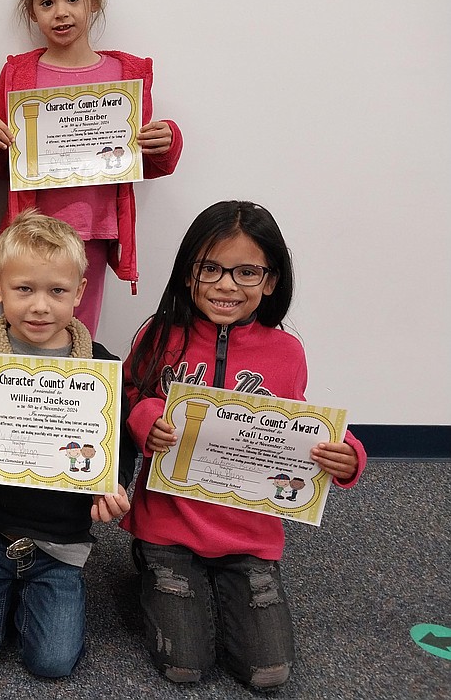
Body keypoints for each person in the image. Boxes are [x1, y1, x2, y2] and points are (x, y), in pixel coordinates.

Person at [122, 200, 367, 689]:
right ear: (188, 273)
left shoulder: (285, 351)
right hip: (168, 524)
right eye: (210, 268)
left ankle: (220, 580)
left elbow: (299, 420)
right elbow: (131, 392)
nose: (226, 284)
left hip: (248, 533)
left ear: (271, 280)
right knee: (184, 667)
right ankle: (152, 570)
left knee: (267, 673)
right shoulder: (158, 334)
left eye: (246, 272)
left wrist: (347, 455)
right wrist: (147, 417)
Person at [0, 210, 133, 678]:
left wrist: (115, 485)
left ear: (80, 292)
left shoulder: (103, 369)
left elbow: (118, 444)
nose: (40, 306)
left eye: (57, 291)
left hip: (62, 542)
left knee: (53, 664)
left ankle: (38, 594)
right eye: (24, 289)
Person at [0, 0, 183, 337]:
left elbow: (141, 158)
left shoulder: (126, 74)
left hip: (94, 232)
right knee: (23, 331)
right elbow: (1, 164)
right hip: (29, 232)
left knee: (80, 335)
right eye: (46, 2)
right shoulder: (19, 72)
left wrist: (167, 141)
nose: (61, 13)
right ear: (31, 10)